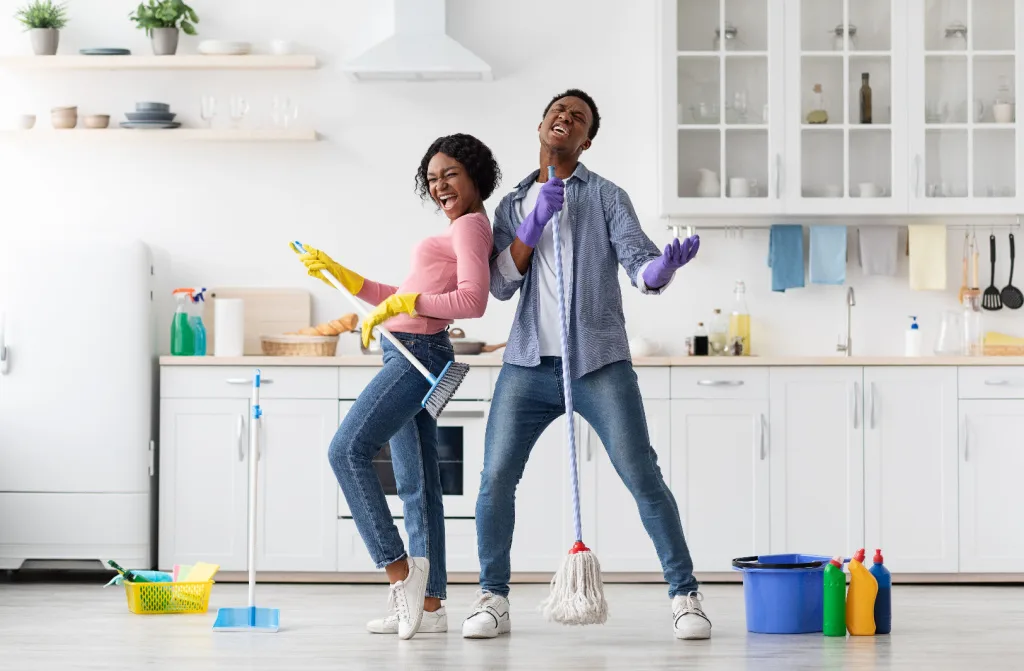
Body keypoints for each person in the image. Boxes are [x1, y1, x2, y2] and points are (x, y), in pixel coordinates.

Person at [462, 90, 709, 641]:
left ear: (586, 141)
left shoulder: (605, 196)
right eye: (558, 112)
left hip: (598, 364)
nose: (565, 119)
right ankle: (492, 598)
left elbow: (641, 265)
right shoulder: (511, 205)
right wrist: (532, 225)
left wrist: (662, 270)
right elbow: (500, 284)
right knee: (495, 478)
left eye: (578, 118)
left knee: (643, 476)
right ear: (542, 123)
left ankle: (685, 596)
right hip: (527, 363)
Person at [294, 133, 500, 640]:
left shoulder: (471, 227)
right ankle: (429, 606)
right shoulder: (457, 229)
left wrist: (404, 307)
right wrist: (346, 278)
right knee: (418, 484)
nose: (440, 186)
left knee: (347, 451)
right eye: (432, 179)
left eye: (450, 174)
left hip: (416, 357)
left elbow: (472, 301)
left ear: (474, 174)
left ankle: (400, 575)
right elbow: (403, 295)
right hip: (407, 351)